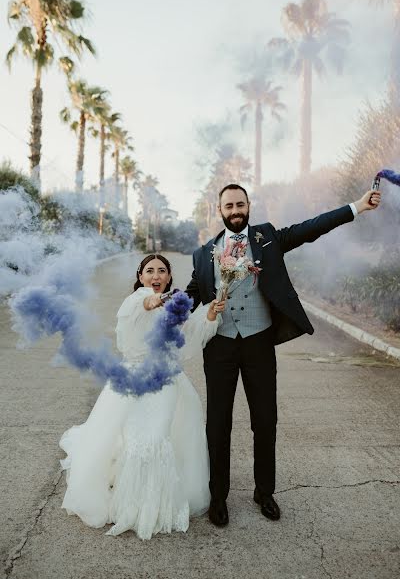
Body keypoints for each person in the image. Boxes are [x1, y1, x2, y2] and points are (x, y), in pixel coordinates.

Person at [186, 183, 381, 527]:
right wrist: (155, 304)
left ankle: (264, 491)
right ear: (220, 210)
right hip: (219, 346)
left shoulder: (268, 238)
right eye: (229, 205)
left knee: (265, 420)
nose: (235, 210)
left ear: (249, 206)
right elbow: (189, 296)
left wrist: (356, 207)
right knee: (217, 424)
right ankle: (219, 496)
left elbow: (311, 227)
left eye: (240, 204)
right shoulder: (204, 253)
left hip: (258, 342)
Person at [59, 253, 225, 539]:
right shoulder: (135, 301)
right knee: (133, 439)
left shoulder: (175, 306)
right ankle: (129, 502)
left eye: (162, 271)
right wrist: (154, 301)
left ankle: (155, 505)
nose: (156, 276)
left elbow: (191, 335)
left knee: (158, 438)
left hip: (167, 382)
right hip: (134, 381)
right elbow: (146, 304)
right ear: (140, 277)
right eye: (150, 271)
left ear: (170, 277)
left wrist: (210, 313)